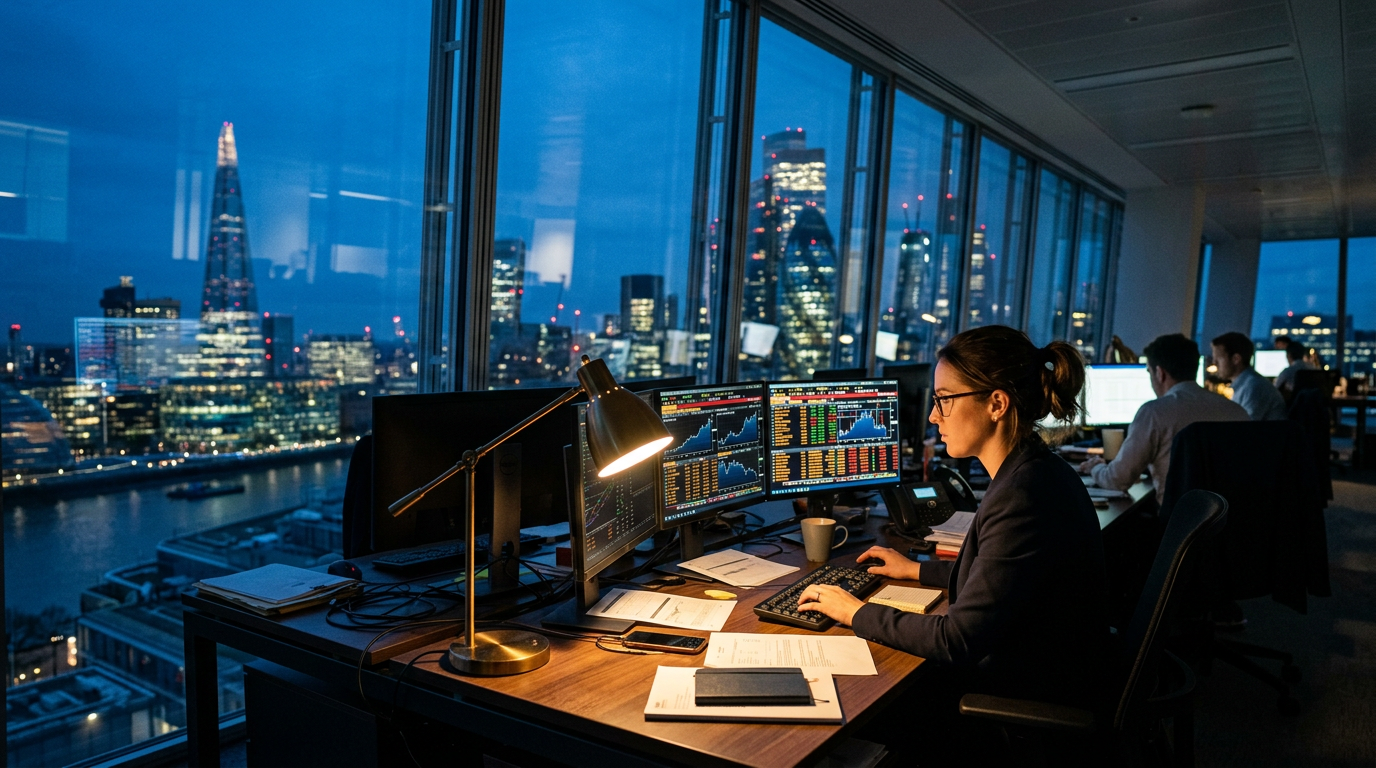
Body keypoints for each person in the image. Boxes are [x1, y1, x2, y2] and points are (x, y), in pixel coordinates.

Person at [797, 325, 1110, 709]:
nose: (932, 415)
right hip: (1049, 668)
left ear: (997, 404)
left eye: (944, 399)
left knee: (863, 699)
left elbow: (956, 639)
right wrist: (916, 570)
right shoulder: (1034, 471)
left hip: (1022, 693)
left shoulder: (1022, 496)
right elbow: (1000, 578)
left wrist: (856, 612)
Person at [1079, 333, 1247, 497]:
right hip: (1238, 518)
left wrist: (1095, 467)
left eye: (1149, 372)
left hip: (1181, 522)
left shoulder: (1154, 413)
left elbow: (1117, 480)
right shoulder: (1237, 411)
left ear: (1159, 373)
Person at [1211, 331, 1286, 421]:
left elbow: (1245, 429)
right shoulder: (1248, 384)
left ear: (1236, 359)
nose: (1214, 363)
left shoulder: (1254, 387)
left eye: (1218, 359)